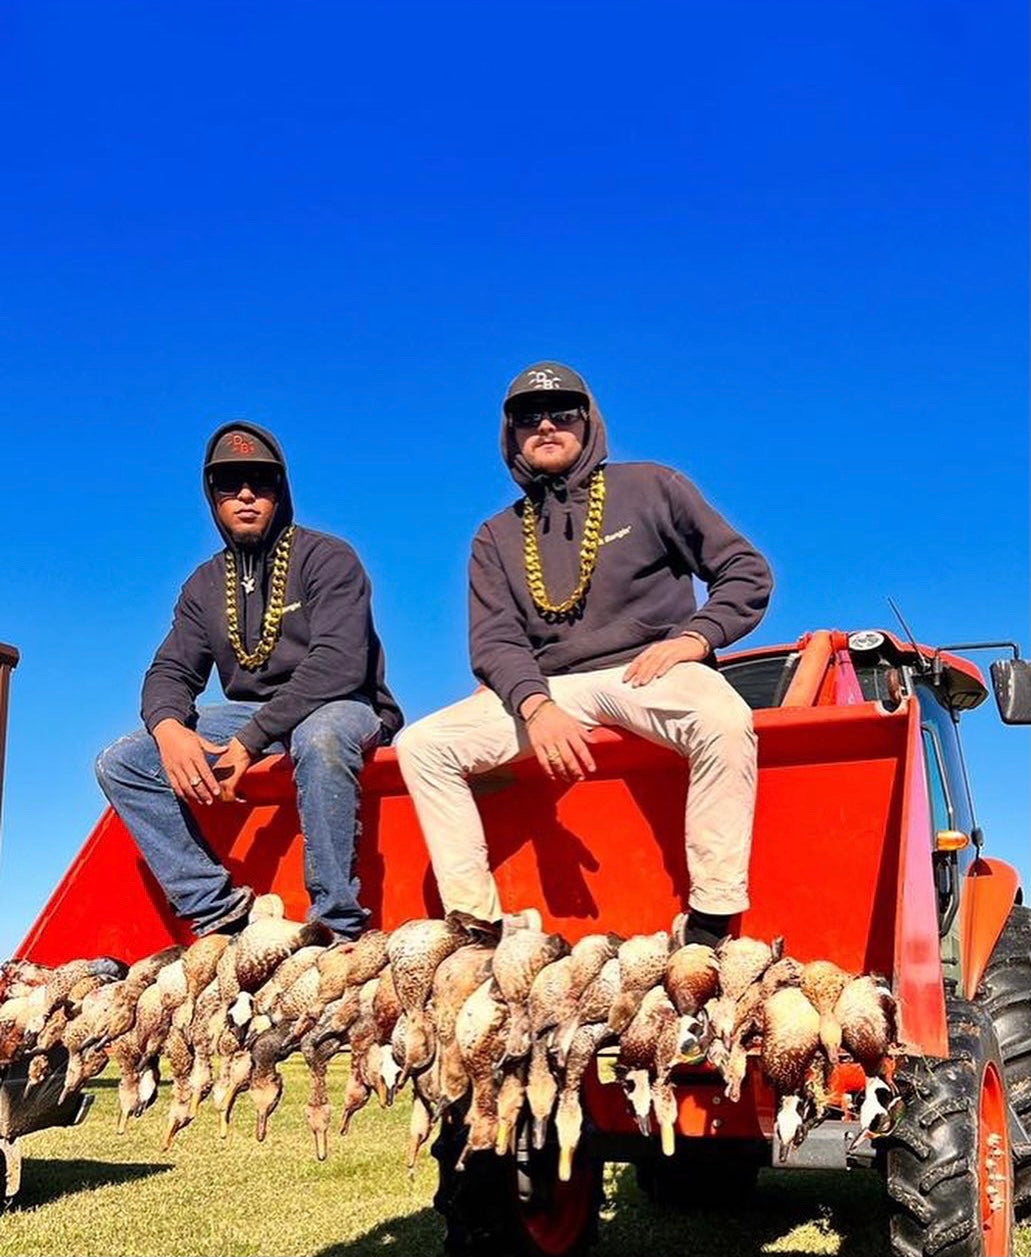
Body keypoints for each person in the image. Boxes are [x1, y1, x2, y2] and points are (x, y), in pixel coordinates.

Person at [396, 362, 772, 948]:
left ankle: (712, 920)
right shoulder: (495, 536)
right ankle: (478, 923)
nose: (547, 425)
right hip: (550, 687)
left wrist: (694, 639)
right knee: (422, 745)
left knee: (724, 720)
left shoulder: (653, 486)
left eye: (563, 412)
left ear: (588, 421)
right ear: (511, 435)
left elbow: (745, 572)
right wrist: (534, 705)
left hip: (650, 671)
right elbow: (495, 640)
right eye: (528, 417)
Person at [96, 422, 402, 939]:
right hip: (252, 720)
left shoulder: (327, 557)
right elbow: (170, 670)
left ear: (280, 491)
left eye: (260, 482)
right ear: (211, 496)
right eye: (228, 483)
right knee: (122, 761)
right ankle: (219, 912)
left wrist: (250, 740)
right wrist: (168, 726)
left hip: (342, 703)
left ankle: (337, 926)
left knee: (320, 737)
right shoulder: (203, 584)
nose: (244, 494)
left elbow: (340, 662)